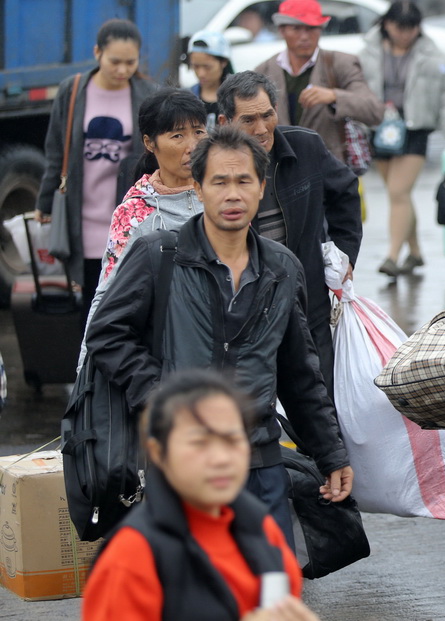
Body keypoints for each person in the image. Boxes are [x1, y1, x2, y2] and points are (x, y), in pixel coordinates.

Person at [83, 126, 353, 548]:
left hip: (259, 461)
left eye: (244, 180)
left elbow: (299, 370)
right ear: (198, 187)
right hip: (181, 464)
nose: (233, 194)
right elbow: (107, 333)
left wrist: (330, 452)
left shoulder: (282, 268)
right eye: (219, 182)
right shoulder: (160, 255)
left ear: (262, 188)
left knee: (267, 593)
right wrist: (157, 392)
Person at [82, 369, 321, 621]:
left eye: (232, 440)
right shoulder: (132, 556)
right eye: (199, 443)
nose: (221, 458)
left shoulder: (262, 531)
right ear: (158, 452)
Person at [216, 71, 362, 396]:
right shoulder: (212, 166)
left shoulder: (304, 146)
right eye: (248, 119)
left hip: (307, 300)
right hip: (243, 310)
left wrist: (344, 253)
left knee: (319, 398)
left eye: (268, 115)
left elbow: (346, 189)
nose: (261, 128)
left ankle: (326, 449)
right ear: (225, 121)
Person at [76, 88, 208, 370]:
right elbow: (107, 293)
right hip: (164, 359)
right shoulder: (135, 213)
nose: (192, 145)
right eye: (177, 135)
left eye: (199, 132)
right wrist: (84, 375)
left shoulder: (222, 195)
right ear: (150, 143)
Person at [35, 18, 156, 323]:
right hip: (85, 215)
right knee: (91, 304)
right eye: (115, 61)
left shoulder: (146, 93)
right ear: (97, 53)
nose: (122, 70)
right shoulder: (73, 91)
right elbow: (55, 149)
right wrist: (45, 201)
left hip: (130, 215)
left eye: (131, 62)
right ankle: (88, 368)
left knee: (131, 302)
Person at [357, 1, 445, 277]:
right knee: (400, 196)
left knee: (398, 193)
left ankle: (392, 257)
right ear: (386, 24)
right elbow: (355, 88)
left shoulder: (432, 55)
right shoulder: (367, 51)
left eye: (411, 28)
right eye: (399, 28)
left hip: (415, 128)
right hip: (379, 128)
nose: (405, 34)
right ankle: (415, 252)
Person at [255, 0, 384, 163]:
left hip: (328, 167)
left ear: (321, 30)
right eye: (296, 28)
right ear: (282, 30)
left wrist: (334, 96)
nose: (304, 36)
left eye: (311, 28)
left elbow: (375, 111)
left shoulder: (340, 63)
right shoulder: (264, 71)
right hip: (280, 167)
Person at [186, 30, 234, 131]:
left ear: (223, 62)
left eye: (207, 67)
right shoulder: (187, 98)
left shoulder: (236, 96)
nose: (201, 73)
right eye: (196, 66)